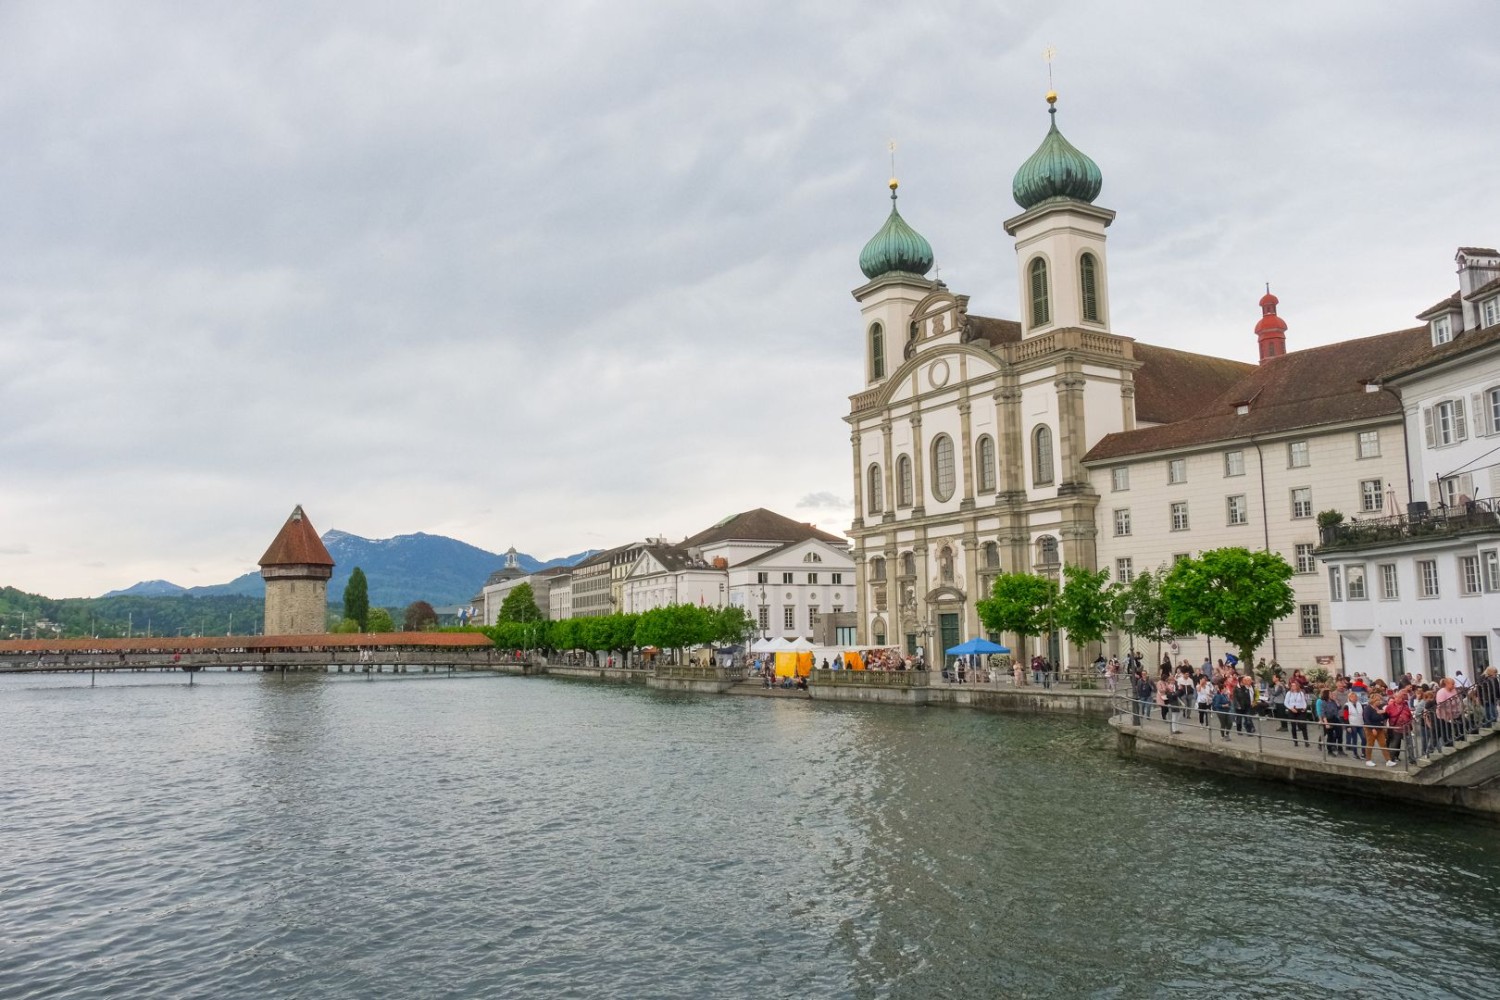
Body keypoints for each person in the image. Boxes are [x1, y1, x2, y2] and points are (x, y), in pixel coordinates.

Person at [1362, 694, 1391, 766]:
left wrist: (1384, 712)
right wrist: (1372, 728)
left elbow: (1384, 717)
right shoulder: (1367, 708)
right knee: (1370, 744)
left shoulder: (1378, 707)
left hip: (1379, 728)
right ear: (1373, 701)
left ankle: (1388, 760)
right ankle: (1368, 760)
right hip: (1370, 728)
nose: (1379, 702)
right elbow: (1366, 719)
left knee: (1383, 744)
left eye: (1380, 700)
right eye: (1378, 700)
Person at [1284, 679, 1310, 747]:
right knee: (1293, 726)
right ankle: (1295, 741)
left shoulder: (1301, 693)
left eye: (1294, 685)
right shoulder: (1289, 693)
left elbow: (1304, 701)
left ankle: (1306, 741)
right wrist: (1291, 708)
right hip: (1292, 710)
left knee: (1303, 725)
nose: (1293, 687)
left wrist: (1304, 707)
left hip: (1300, 710)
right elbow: (1286, 702)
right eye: (1292, 686)